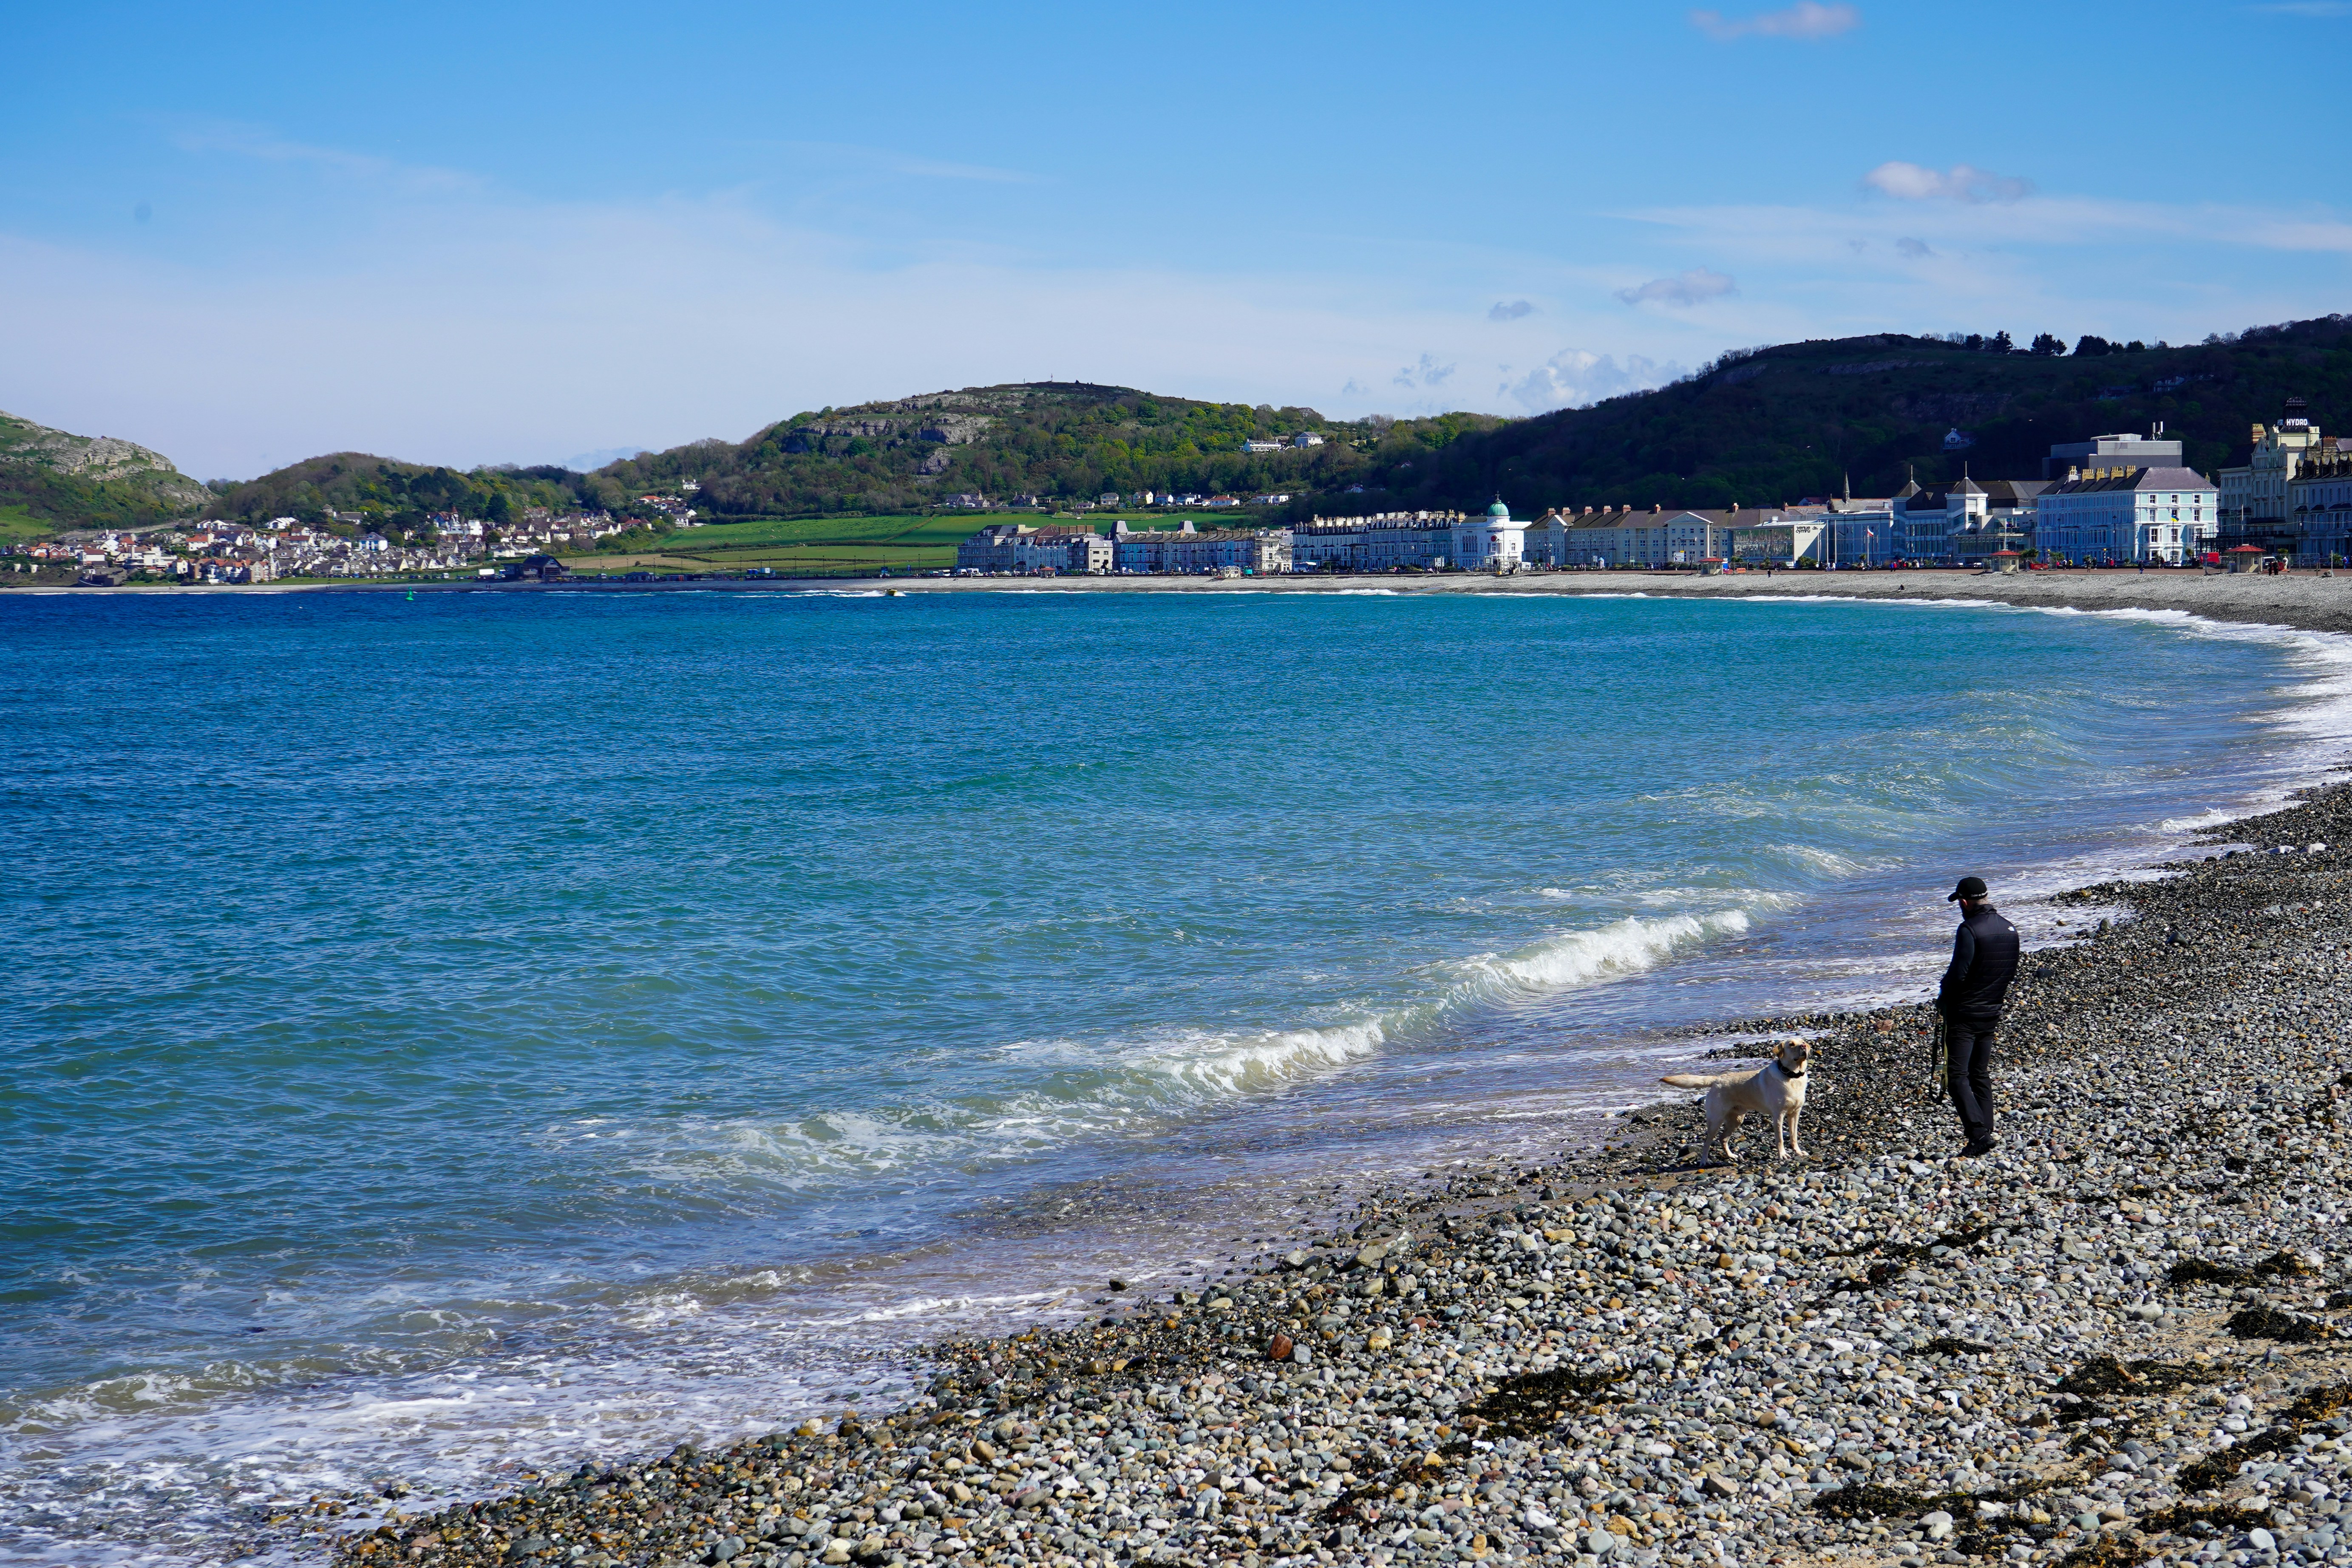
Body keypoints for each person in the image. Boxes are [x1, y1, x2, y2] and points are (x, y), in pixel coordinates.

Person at [1936, 875, 2018, 1158]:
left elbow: (1958, 974)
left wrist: (1943, 998)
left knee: (1957, 1075)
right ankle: (1986, 1129)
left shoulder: (1969, 930)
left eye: (1959, 902)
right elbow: (2008, 971)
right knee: (1979, 1073)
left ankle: (1978, 1134)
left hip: (1965, 1013)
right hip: (1992, 1008)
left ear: (1964, 901)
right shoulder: (2009, 928)